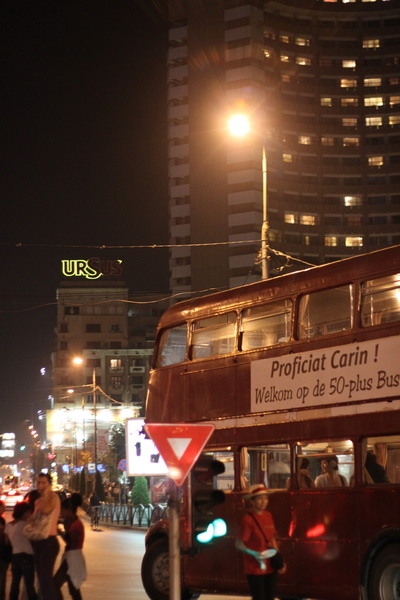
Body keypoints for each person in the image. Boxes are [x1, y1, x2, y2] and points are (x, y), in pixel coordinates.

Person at [236, 484, 286, 600]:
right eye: (260, 498)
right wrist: (254, 554)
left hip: (270, 566)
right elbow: (239, 543)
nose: (264, 501)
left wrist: (280, 560)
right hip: (255, 568)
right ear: (252, 501)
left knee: (270, 597)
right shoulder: (247, 520)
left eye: (265, 498)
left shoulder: (268, 515)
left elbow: (272, 539)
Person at [29, 472, 61, 600]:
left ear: (49, 484)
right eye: (38, 483)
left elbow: (46, 510)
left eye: (43, 483)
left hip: (49, 541)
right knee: (42, 580)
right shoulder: (38, 501)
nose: (40, 486)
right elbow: (33, 519)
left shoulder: (53, 497)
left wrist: (46, 494)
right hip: (38, 541)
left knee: (46, 579)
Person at [54, 493, 86, 600]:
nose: (61, 512)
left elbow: (71, 544)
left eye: (62, 510)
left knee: (56, 584)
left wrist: (60, 532)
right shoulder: (73, 522)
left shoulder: (76, 525)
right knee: (73, 590)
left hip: (72, 559)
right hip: (72, 558)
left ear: (68, 510)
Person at [5, 502, 38, 600]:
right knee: (29, 585)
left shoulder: (8, 526)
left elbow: (7, 542)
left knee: (15, 584)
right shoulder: (26, 525)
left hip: (15, 556)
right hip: (27, 556)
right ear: (25, 513)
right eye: (29, 512)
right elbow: (34, 539)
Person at [0, 500, 10, 600]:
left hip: (3, 554)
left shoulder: (2, 520)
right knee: (2, 578)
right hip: (2, 554)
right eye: (3, 507)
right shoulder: (1, 521)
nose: (4, 509)